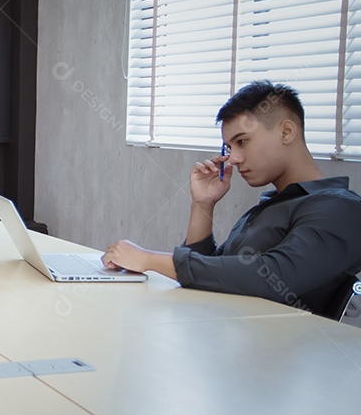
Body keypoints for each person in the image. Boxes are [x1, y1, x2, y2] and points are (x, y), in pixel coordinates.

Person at [103, 80, 361, 318]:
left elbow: (275, 276)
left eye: (242, 142)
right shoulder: (270, 207)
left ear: (286, 132)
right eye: (229, 148)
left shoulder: (338, 207)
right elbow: (209, 274)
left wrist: (149, 259)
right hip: (222, 334)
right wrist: (203, 204)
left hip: (279, 359)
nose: (234, 158)